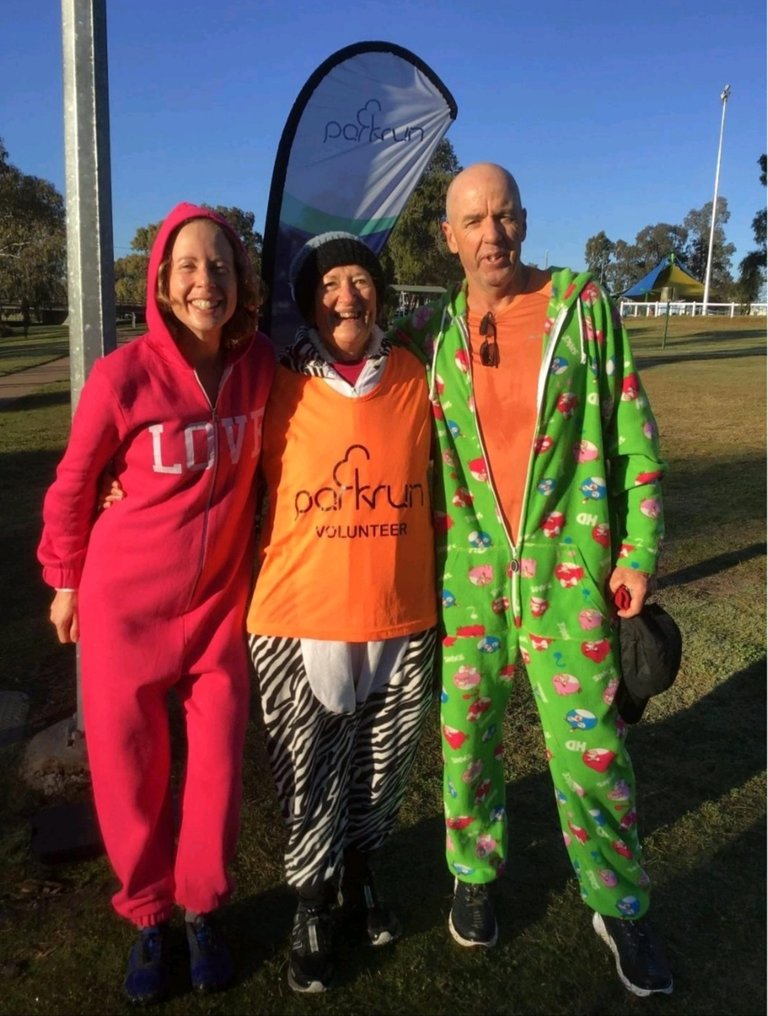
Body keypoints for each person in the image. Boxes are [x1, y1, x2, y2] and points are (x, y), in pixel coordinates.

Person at [393, 163, 673, 997]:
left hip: (570, 575)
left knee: (592, 752)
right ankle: (473, 875)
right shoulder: (436, 338)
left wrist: (638, 551)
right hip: (471, 580)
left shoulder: (582, 310)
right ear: (449, 237)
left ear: (524, 219)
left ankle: (617, 902)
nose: (492, 236)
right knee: (465, 742)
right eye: (473, 221)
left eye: (505, 216)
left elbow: (635, 438)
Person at [37, 203, 275, 1004]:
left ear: (243, 282)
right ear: (163, 286)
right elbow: (75, 483)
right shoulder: (123, 375)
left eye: (221, 265)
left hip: (216, 611)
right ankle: (148, 918)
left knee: (215, 768)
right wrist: (65, 577)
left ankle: (203, 908)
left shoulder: (261, 368)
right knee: (129, 771)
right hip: (123, 610)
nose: (205, 280)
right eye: (188, 268)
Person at [246, 232, 437, 993]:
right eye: (330, 286)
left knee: (381, 770)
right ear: (307, 303)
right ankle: (310, 902)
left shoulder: (418, 377)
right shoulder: (272, 385)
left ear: (381, 293)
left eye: (360, 280)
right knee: (308, 774)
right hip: (301, 613)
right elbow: (210, 458)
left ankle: (359, 875)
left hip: (401, 609)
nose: (347, 296)